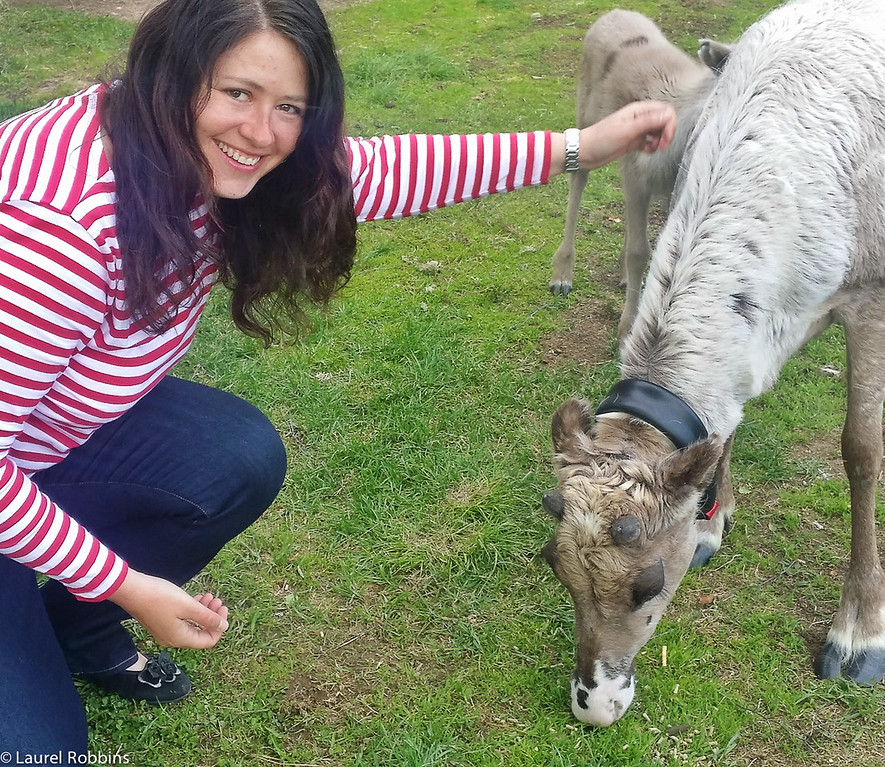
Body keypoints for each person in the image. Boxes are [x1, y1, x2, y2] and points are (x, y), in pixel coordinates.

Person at [0, 0, 677, 755]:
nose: (261, 134)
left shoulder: (182, 148)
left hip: (42, 434)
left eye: (288, 106)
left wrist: (583, 145)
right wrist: (126, 582)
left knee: (236, 455)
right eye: (236, 93)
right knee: (39, 750)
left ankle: (75, 629)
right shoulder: (60, 227)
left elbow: (374, 173)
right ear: (173, 73)